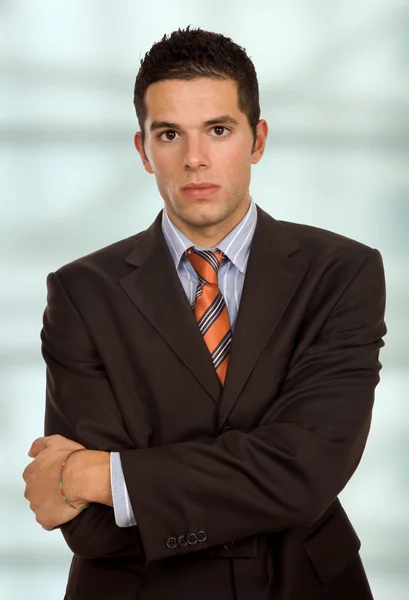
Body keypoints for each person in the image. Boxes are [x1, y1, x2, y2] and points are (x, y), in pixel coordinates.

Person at [22, 26, 386, 600]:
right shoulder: (81, 292)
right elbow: (90, 528)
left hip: (306, 586)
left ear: (257, 139)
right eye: (170, 134)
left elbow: (307, 472)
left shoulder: (341, 273)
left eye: (218, 130)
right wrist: (256, 482)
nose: (195, 159)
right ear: (143, 149)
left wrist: (103, 476)